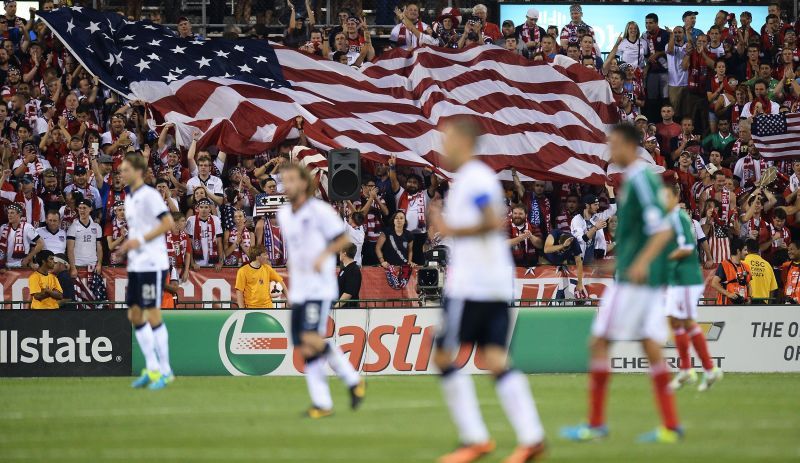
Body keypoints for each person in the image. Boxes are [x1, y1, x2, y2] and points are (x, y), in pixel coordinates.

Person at [428, 117, 545, 463]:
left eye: (447, 140)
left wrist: (450, 228)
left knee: (443, 355)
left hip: (472, 285)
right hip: (493, 282)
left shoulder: (474, 178)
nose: (443, 147)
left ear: (464, 143)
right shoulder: (474, 178)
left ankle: (474, 439)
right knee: (495, 358)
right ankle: (531, 437)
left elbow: (492, 220)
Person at [562, 123, 681, 444]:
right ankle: (671, 426)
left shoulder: (640, 181)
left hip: (632, 280)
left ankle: (596, 424)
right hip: (637, 276)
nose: (609, 150)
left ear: (629, 146)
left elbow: (663, 230)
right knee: (651, 348)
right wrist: (620, 260)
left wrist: (638, 263)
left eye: (613, 144)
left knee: (599, 343)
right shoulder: (635, 181)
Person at [276, 162, 364, 418]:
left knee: (311, 339)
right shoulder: (284, 214)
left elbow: (343, 239)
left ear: (304, 182)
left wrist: (323, 256)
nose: (288, 185)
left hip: (319, 287)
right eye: (285, 180)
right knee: (305, 346)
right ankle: (322, 403)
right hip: (300, 289)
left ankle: (352, 379)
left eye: (292, 179)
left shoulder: (320, 211)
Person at [116, 153, 176, 391]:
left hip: (152, 263)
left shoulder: (150, 195)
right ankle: (152, 368)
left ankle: (166, 371)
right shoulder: (129, 197)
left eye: (126, 170)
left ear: (138, 172)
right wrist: (127, 246)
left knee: (152, 314)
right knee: (134, 314)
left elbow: (168, 223)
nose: (122, 174)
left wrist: (139, 240)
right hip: (137, 264)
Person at [661, 184, 722, 393]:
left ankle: (708, 368)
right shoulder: (668, 220)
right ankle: (688, 369)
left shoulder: (679, 218)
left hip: (687, 278)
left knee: (685, 321)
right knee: (675, 320)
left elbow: (687, 248)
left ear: (675, 197)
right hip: (676, 279)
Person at [388, 154, 438, 265]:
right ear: (406, 183)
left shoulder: (424, 194)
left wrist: (432, 172)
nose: (411, 184)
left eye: (415, 183)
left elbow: (434, 185)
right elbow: (393, 181)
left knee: (419, 261)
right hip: (403, 233)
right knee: (403, 261)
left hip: (420, 235)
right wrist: (392, 167)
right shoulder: (400, 193)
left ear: (419, 185)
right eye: (409, 182)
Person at [234, 244, 285, 309]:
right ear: (257, 257)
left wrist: (289, 299)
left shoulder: (267, 268)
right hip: (251, 308)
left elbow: (280, 282)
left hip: (268, 308)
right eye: (265, 254)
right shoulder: (243, 271)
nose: (267, 257)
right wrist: (242, 310)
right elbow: (239, 291)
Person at [710, 238, 752, 305]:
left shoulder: (746, 267)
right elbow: (714, 283)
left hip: (742, 306)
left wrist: (749, 297)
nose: (747, 253)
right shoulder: (724, 265)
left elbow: (749, 285)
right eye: (745, 250)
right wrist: (728, 294)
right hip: (726, 306)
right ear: (738, 251)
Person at [0, 202, 41, 269]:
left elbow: (40, 244)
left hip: (21, 265)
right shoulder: (3, 228)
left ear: (19, 214)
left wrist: (28, 259)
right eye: (8, 213)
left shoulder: (27, 227)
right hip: (4, 265)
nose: (9, 215)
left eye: (12, 213)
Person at [743, 239, 777, 303]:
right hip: (763, 304)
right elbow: (772, 289)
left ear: (746, 249)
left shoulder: (742, 262)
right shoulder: (767, 265)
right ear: (758, 250)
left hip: (747, 302)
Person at [336, 243, 361, 308]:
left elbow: (348, 293)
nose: (339, 254)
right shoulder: (345, 269)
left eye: (340, 252)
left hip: (349, 309)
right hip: (342, 308)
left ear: (344, 253)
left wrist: (335, 307)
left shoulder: (353, 270)